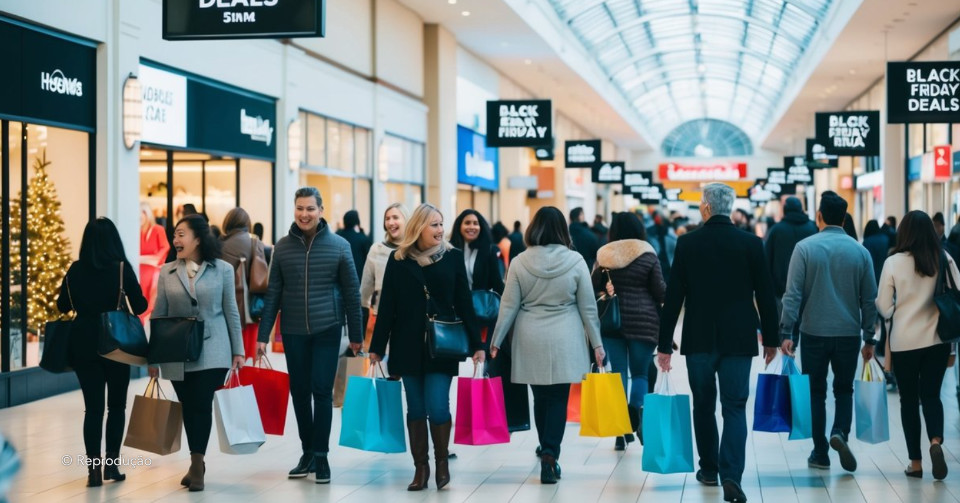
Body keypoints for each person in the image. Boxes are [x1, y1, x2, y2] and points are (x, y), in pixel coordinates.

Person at [657, 183, 779, 503]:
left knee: (704, 404)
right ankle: (732, 476)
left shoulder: (687, 244)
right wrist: (771, 338)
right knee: (735, 406)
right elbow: (765, 295)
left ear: (707, 208)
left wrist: (664, 344)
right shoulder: (752, 244)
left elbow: (673, 298)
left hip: (698, 337)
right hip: (739, 337)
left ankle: (709, 468)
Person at [368, 203, 484, 492]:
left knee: (437, 404)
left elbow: (464, 303)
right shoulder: (399, 259)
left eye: (441, 224)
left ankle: (442, 461)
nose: (440, 230)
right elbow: (388, 307)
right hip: (407, 344)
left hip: (441, 345)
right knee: (416, 407)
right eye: (434, 224)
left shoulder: (452, 258)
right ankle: (421, 468)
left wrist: (477, 344)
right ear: (418, 227)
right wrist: (377, 346)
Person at [491, 206, 605, 485]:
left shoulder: (519, 261)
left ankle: (546, 450)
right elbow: (588, 308)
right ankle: (550, 455)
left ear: (534, 229)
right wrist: (598, 344)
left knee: (540, 398)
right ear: (563, 230)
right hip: (565, 336)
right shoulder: (576, 261)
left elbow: (508, 305)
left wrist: (495, 341)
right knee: (558, 399)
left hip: (530, 337)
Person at [256, 187, 363, 484]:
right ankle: (307, 452)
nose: (305, 214)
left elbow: (352, 294)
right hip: (292, 331)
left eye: (310, 209)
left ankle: (322, 455)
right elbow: (273, 293)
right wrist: (263, 336)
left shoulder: (340, 246)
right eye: (300, 208)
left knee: (321, 392)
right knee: (299, 393)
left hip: (327, 327)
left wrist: (356, 334)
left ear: (321, 210)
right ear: (294, 210)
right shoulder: (282, 247)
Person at [779, 193, 878, 473]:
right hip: (848, 334)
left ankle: (820, 451)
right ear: (844, 219)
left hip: (813, 333)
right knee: (844, 389)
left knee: (816, 392)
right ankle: (840, 432)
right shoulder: (860, 252)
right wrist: (870, 336)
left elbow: (792, 294)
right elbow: (869, 299)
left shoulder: (804, 248)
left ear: (819, 216)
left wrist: (787, 331)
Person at [148, 214, 244, 492]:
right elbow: (159, 315)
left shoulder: (223, 270)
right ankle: (196, 461)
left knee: (201, 404)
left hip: (214, 348)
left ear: (198, 239)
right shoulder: (167, 271)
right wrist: (153, 357)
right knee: (187, 407)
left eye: (181, 234)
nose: (175, 240)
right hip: (176, 350)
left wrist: (238, 349)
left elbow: (231, 311)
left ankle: (196, 463)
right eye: (174, 235)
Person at [56, 218, 148, 487]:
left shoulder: (74, 269)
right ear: (114, 241)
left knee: (93, 409)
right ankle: (112, 466)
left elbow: (63, 306)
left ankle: (93, 472)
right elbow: (140, 306)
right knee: (116, 406)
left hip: (83, 343)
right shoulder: (120, 268)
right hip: (116, 343)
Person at [876, 210, 958, 480]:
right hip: (937, 340)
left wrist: (899, 308)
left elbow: (884, 307)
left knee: (909, 401)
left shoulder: (893, 262)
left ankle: (916, 463)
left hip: (904, 343)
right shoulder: (943, 258)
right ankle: (935, 441)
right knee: (932, 396)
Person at [592, 212, 665, 451]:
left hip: (612, 322)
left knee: (619, 373)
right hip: (644, 321)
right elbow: (661, 291)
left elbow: (593, 287)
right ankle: (636, 413)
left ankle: (621, 429)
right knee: (641, 373)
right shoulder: (647, 253)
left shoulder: (604, 255)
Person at [220, 207, 267, 362]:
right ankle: (246, 385)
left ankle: (229, 385)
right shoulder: (255, 243)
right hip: (250, 309)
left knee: (226, 357)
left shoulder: (219, 245)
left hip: (223, 308)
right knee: (248, 357)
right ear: (247, 224)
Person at [360, 203, 409, 350]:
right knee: (378, 368)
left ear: (406, 220)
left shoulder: (416, 250)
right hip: (380, 319)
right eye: (387, 218)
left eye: (395, 217)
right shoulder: (376, 249)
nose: (390, 222)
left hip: (409, 320)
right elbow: (365, 290)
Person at [765, 196, 818, 311]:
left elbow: (767, 260)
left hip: (782, 290)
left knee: (784, 325)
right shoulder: (812, 228)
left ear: (785, 210)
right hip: (809, 289)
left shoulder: (776, 230)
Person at [139, 202, 169, 322]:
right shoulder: (138, 231)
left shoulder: (157, 229)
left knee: (151, 300)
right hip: (141, 269)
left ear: (147, 215)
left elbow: (165, 247)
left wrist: (156, 259)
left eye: (140, 216)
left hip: (153, 269)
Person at [336, 210, 372, 282]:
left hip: (339, 278)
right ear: (357, 221)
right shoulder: (363, 238)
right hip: (358, 278)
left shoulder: (337, 237)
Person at [646, 211, 677, 283]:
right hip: (660, 264)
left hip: (666, 264)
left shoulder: (668, 230)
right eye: (657, 217)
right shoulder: (650, 231)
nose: (658, 219)